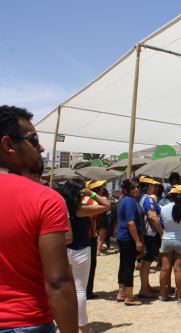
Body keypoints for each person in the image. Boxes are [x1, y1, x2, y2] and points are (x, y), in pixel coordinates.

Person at [0, 105, 78, 332]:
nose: (41, 147)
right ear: (8, 145)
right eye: (33, 140)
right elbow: (58, 281)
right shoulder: (44, 199)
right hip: (26, 321)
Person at [60, 178, 109, 333]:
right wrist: (92, 193)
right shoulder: (81, 209)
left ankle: (65, 325)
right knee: (80, 290)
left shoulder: (60, 208)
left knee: (64, 290)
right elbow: (106, 205)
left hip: (64, 250)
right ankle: (83, 327)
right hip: (81, 250)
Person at [159, 185, 181, 304]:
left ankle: (163, 295)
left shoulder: (163, 208)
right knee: (178, 269)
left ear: (170, 196)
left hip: (166, 239)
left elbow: (162, 223)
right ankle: (180, 297)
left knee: (165, 269)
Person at [116, 179, 143, 306]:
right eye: (133, 188)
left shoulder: (124, 200)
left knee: (123, 265)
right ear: (126, 190)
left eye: (137, 187)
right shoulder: (129, 202)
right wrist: (138, 240)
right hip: (128, 237)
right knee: (128, 267)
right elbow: (131, 223)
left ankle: (121, 293)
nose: (136, 189)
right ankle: (129, 297)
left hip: (122, 237)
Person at [137, 176, 163, 298]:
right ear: (149, 186)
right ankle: (144, 288)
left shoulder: (140, 198)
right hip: (150, 234)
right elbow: (152, 217)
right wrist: (161, 232)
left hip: (145, 233)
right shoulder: (148, 199)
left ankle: (146, 286)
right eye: (153, 185)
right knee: (147, 262)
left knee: (145, 262)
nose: (155, 188)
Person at [83, 179, 107, 300]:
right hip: (90, 235)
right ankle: (87, 290)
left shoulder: (82, 199)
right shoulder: (92, 200)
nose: (102, 189)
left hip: (84, 235)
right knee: (90, 264)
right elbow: (105, 206)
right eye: (100, 188)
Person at [96, 188, 111, 256]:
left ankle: (97, 249)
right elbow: (107, 207)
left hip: (97, 217)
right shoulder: (104, 198)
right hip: (103, 217)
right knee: (102, 236)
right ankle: (98, 251)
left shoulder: (95, 198)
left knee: (97, 234)